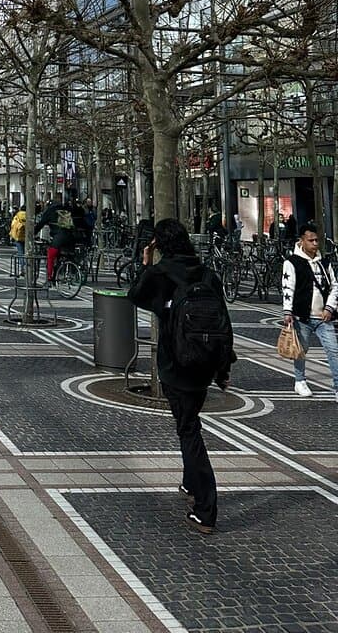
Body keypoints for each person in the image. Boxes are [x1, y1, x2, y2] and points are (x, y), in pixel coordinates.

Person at [128, 219, 234, 536]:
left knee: (189, 431)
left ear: (159, 244)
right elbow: (225, 324)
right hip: (204, 368)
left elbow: (134, 295)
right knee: (189, 423)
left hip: (176, 365)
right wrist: (223, 369)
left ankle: (206, 509)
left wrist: (146, 262)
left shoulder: (161, 275)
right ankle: (190, 483)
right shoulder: (206, 274)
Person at [282, 222, 338, 398]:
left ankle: (337, 387)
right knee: (300, 350)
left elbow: (335, 286)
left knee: (333, 351)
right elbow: (287, 287)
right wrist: (287, 312)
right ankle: (300, 381)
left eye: (317, 240)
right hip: (302, 317)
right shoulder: (292, 263)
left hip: (323, 318)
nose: (315, 244)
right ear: (301, 241)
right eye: (311, 240)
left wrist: (329, 307)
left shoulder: (324, 262)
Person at [10, 205, 27, 274]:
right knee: (27, 254)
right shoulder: (29, 215)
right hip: (26, 237)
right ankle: (28, 267)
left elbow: (13, 225)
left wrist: (12, 236)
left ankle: (23, 269)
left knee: (20, 253)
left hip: (18, 237)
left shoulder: (17, 216)